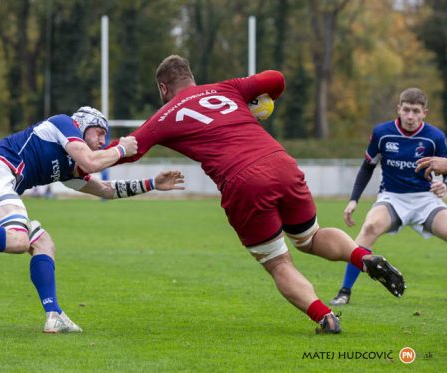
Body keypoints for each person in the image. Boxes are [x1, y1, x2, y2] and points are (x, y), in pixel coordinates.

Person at [109, 55, 405, 334]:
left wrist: (86, 153)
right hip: (281, 162)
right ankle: (362, 257)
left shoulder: (165, 115)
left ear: (163, 87)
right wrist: (262, 102)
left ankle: (325, 316)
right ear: (190, 76)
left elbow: (128, 152)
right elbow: (275, 78)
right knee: (311, 237)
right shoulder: (228, 88)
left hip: (243, 181)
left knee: (279, 263)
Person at [0, 107, 185, 333]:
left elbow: (106, 190)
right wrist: (121, 148)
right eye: (99, 133)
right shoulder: (63, 123)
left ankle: (54, 316)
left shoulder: (69, 168)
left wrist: (152, 183)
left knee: (43, 244)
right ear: (82, 126)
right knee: (18, 239)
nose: (102, 140)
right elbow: (91, 161)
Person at [329, 88, 447, 306]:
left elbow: (445, 169)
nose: (410, 116)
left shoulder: (435, 137)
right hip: (393, 197)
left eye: (416, 111)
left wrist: (443, 185)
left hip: (426, 199)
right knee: (369, 228)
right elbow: (367, 167)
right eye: (407, 110)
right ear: (399, 109)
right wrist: (354, 199)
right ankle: (344, 291)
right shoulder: (382, 133)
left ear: (425, 113)